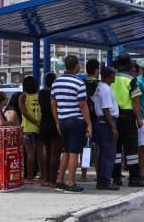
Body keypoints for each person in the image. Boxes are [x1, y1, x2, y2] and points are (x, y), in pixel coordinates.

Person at [51, 55, 93, 193]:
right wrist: (89, 123)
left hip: (63, 121)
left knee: (66, 151)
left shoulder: (56, 83)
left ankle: (60, 180)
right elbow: (82, 105)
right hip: (76, 121)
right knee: (74, 152)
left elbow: (53, 103)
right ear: (76, 66)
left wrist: (57, 121)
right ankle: (70, 182)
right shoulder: (79, 83)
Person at [111, 52, 144, 187]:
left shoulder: (111, 78)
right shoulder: (131, 79)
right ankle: (134, 177)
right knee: (131, 149)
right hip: (127, 117)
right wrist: (139, 118)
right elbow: (135, 101)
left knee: (116, 150)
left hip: (113, 118)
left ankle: (116, 177)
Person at [94, 67, 120, 190]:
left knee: (103, 153)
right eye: (113, 75)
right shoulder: (105, 89)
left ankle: (102, 180)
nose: (115, 77)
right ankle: (105, 181)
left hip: (102, 122)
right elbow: (106, 109)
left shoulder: (100, 87)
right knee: (108, 154)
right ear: (109, 76)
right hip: (106, 123)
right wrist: (113, 127)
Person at [19, 76, 46, 185]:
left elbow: (24, 112)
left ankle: (30, 177)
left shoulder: (23, 97)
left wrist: (34, 122)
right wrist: (39, 123)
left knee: (30, 153)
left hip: (28, 128)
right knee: (41, 153)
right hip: (39, 127)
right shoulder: (39, 95)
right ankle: (43, 176)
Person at [38, 72, 61, 188]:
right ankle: (53, 180)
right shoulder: (56, 93)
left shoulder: (41, 93)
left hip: (44, 123)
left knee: (47, 152)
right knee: (55, 154)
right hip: (54, 123)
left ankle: (46, 178)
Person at [80, 59, 100, 182]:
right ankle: (98, 174)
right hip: (97, 119)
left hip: (83, 118)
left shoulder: (81, 83)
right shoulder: (100, 84)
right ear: (97, 70)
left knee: (85, 148)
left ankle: (83, 175)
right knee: (97, 147)